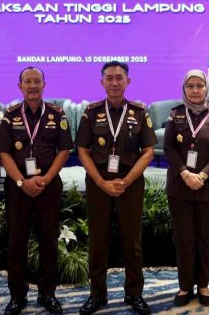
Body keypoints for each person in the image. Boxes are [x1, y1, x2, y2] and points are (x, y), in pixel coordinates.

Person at [76, 61, 157, 315]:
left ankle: (134, 293)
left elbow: (148, 152)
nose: (114, 82)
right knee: (98, 241)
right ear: (102, 82)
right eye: (109, 78)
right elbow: (83, 151)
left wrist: (127, 181)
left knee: (132, 241)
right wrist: (102, 182)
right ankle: (97, 295)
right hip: (98, 182)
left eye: (119, 78)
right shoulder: (91, 112)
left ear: (127, 81)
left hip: (129, 183)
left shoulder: (139, 112)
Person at [0, 67, 73, 315]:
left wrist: (46, 179)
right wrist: (22, 181)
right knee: (16, 242)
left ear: (44, 85)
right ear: (20, 86)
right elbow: (4, 153)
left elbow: (64, 150)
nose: (32, 85)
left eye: (37, 81)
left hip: (47, 186)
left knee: (48, 241)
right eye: (27, 81)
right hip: (18, 186)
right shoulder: (9, 116)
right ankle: (17, 296)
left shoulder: (56, 114)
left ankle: (47, 293)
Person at [164, 70, 209, 308]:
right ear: (184, 89)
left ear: (206, 88)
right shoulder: (175, 114)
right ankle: (185, 286)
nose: (195, 90)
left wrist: (201, 175)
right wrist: (185, 173)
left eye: (199, 85)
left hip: (208, 186)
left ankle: (203, 285)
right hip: (180, 187)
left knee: (204, 238)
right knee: (184, 238)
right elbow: (168, 147)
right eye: (190, 86)